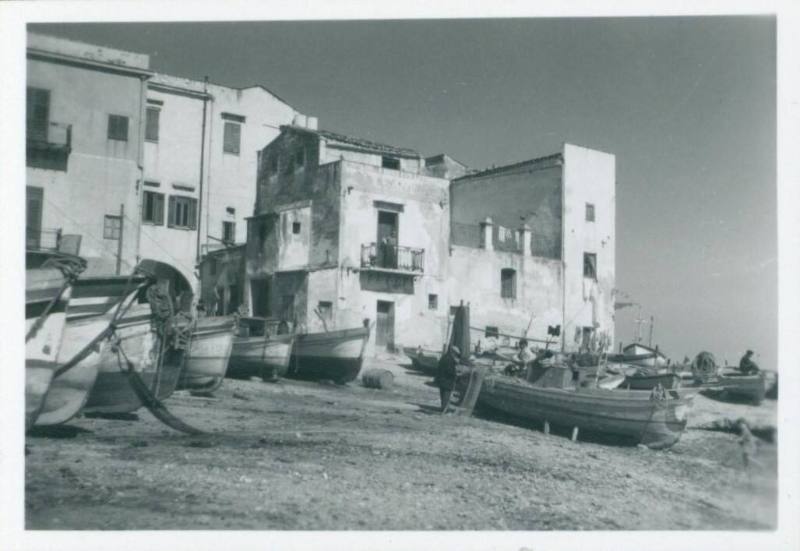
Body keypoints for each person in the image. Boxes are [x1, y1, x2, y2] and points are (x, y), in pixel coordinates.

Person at [435, 345, 460, 412]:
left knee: (443, 395)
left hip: (441, 380)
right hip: (447, 381)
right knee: (446, 396)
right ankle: (444, 410)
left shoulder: (445, 357)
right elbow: (449, 370)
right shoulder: (450, 359)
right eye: (456, 354)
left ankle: (442, 408)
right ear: (453, 352)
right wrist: (456, 374)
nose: (456, 355)